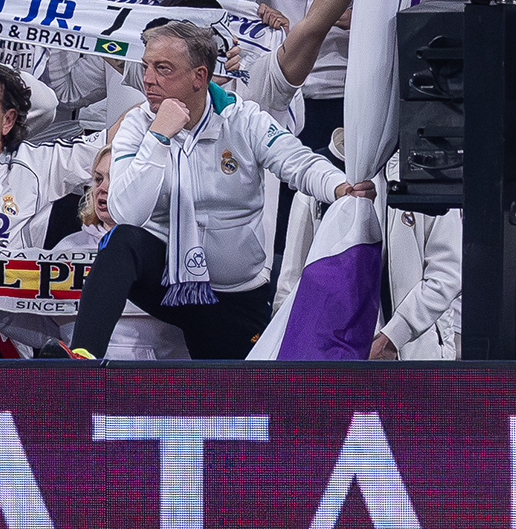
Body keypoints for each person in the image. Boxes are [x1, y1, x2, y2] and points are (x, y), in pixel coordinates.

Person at [71, 19, 370, 361]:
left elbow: (298, 162)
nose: (148, 79)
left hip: (234, 296)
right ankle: (82, 360)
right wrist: (158, 138)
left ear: (199, 76)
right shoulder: (139, 126)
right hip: (167, 281)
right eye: (146, 66)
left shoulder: (243, 119)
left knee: (235, 395)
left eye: (163, 68)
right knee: (122, 240)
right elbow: (126, 212)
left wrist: (339, 186)